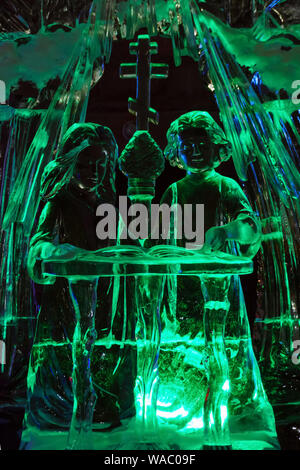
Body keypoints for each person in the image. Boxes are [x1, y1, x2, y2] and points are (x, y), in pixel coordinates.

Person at [25, 123, 134, 443]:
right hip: (66, 301)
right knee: (68, 360)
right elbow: (38, 245)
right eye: (85, 165)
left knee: (104, 358)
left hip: (106, 299)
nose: (94, 172)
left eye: (101, 165)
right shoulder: (60, 202)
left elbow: (123, 243)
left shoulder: (110, 202)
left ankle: (104, 411)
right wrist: (57, 251)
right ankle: (63, 415)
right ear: (70, 163)